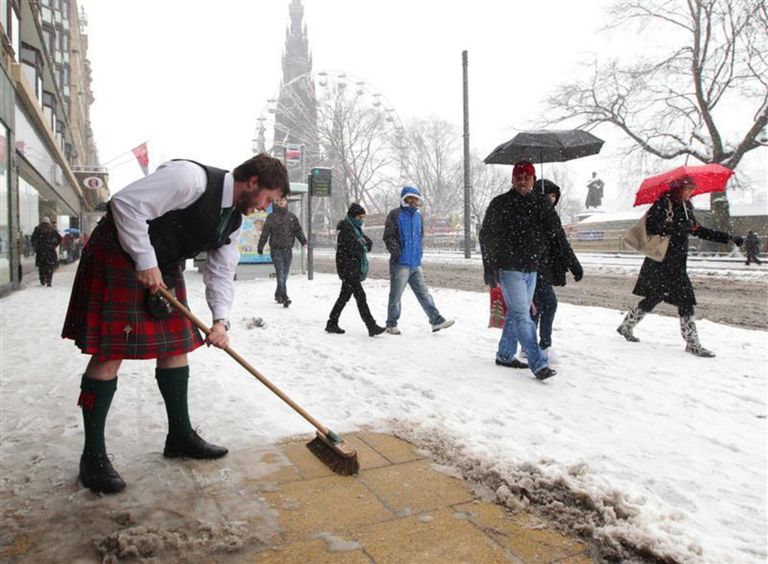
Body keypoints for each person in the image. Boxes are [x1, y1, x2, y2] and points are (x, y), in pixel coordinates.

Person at [61, 155, 289, 494]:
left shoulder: (233, 221)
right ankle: (92, 457)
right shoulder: (190, 179)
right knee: (110, 353)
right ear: (252, 182)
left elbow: (222, 272)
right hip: (118, 255)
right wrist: (145, 259)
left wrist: (220, 321)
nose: (264, 208)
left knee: (177, 347)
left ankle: (180, 435)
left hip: (163, 265)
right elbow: (125, 204)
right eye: (267, 199)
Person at [616, 176, 743, 357]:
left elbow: (699, 231)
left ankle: (626, 326)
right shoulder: (663, 204)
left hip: (676, 262)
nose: (691, 192)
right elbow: (652, 227)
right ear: (678, 189)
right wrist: (676, 228)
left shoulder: (686, 208)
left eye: (692, 189)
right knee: (683, 299)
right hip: (661, 261)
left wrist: (728, 237)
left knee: (658, 297)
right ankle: (692, 343)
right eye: (688, 189)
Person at [479, 161, 563, 381]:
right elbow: (486, 236)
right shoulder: (500, 204)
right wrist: (489, 267)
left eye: (527, 177)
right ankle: (538, 363)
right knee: (522, 315)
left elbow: (554, 231)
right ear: (512, 180)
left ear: (534, 180)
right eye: (518, 177)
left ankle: (505, 354)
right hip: (508, 268)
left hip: (532, 268)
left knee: (516, 314)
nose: (522, 180)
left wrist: (547, 208)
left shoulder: (539, 204)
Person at [383, 186, 454, 334]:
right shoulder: (395, 214)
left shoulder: (418, 216)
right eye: (412, 198)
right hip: (400, 263)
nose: (414, 201)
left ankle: (436, 320)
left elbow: (420, 236)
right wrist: (398, 252)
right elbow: (388, 237)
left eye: (416, 198)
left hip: (415, 263)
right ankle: (391, 324)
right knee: (396, 295)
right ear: (405, 198)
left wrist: (419, 253)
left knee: (424, 294)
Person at [531, 179, 583, 352]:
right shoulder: (532, 212)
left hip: (544, 266)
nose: (551, 199)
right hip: (534, 266)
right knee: (547, 304)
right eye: (548, 195)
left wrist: (575, 266)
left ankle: (531, 345)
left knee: (537, 306)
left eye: (554, 196)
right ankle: (542, 345)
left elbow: (561, 243)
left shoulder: (552, 215)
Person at [325, 203, 386, 337]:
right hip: (348, 270)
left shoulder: (356, 230)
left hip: (352, 269)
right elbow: (357, 248)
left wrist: (362, 244)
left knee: (344, 297)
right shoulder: (346, 230)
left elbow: (368, 244)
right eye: (360, 217)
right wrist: (362, 245)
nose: (362, 220)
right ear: (353, 216)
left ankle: (332, 323)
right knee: (360, 297)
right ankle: (371, 325)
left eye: (363, 217)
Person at [257, 196, 307, 307]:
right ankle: (285, 297)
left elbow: (298, 230)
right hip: (276, 250)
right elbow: (265, 233)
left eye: (283, 200)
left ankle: (278, 294)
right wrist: (260, 246)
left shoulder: (292, 217)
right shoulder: (271, 217)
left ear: (286, 201)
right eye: (279, 200)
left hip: (288, 249)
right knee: (280, 273)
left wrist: (303, 241)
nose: (281, 202)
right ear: (276, 202)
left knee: (284, 274)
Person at [30, 217, 62, 286]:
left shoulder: (38, 229)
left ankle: (43, 280)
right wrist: (54, 245)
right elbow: (59, 239)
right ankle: (48, 281)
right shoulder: (52, 230)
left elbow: (33, 240)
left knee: (42, 267)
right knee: (50, 267)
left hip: (41, 252)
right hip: (50, 252)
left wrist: (36, 247)